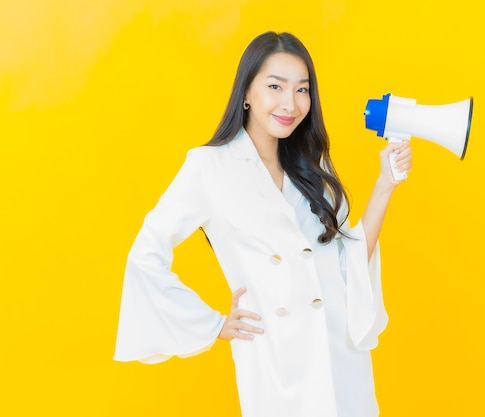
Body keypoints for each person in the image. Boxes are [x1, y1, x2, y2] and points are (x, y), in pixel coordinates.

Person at [114, 31, 412, 417]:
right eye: (275, 86)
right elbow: (145, 254)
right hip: (277, 363)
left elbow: (348, 266)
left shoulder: (313, 168)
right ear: (247, 93)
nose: (291, 103)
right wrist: (213, 325)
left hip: (341, 360)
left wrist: (385, 184)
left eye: (302, 89)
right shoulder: (209, 167)